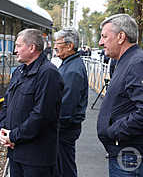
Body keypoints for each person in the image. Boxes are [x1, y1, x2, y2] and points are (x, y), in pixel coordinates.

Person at [0, 29, 64, 177]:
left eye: (18, 46)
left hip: (36, 158)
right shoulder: (19, 71)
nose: (15, 51)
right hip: (16, 152)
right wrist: (2, 131)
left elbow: (42, 115)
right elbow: (7, 103)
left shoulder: (48, 74)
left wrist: (14, 136)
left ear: (32, 48)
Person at [97, 14, 143, 177]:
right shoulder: (126, 61)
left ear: (121, 37)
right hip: (126, 155)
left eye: (104, 36)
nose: (100, 42)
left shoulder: (137, 63)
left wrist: (114, 131)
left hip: (130, 157)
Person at [54, 27, 88, 177]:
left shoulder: (72, 70)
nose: (55, 46)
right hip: (65, 128)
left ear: (69, 46)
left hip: (64, 130)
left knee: (65, 168)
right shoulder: (70, 64)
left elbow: (66, 107)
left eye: (58, 43)